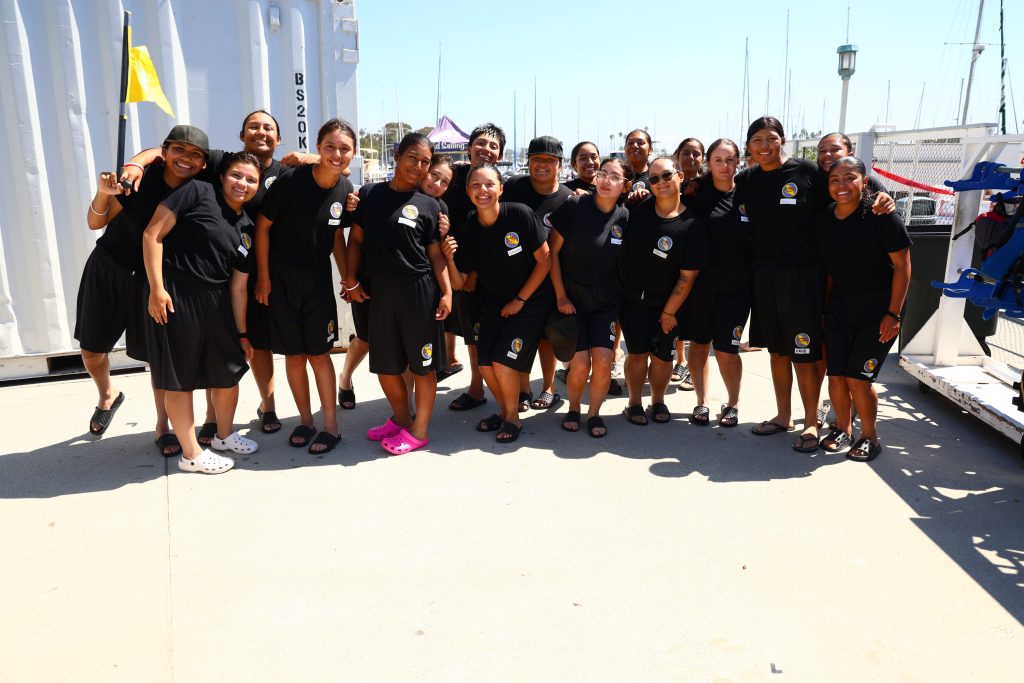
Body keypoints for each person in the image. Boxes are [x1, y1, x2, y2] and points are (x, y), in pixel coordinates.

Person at [124, 110, 289, 439]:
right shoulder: (206, 179)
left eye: (268, 127)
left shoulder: (281, 178)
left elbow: (238, 287)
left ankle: (248, 417)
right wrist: (135, 164)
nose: (261, 132)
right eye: (253, 126)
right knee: (179, 368)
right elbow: (167, 153)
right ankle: (189, 432)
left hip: (234, 278)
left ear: (278, 138)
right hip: (184, 286)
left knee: (236, 355)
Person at [76, 125, 209, 456]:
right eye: (179, 150)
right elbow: (96, 222)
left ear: (204, 163)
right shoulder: (142, 181)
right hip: (108, 267)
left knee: (156, 358)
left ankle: (162, 427)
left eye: (195, 154)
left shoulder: (198, 188)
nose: (186, 159)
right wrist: (104, 193)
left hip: (152, 280)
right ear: (165, 153)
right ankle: (107, 395)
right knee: (91, 350)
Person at [141, 151, 262, 474]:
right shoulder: (196, 191)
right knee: (179, 379)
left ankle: (223, 435)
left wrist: (242, 334)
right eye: (236, 175)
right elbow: (152, 234)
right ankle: (191, 453)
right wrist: (156, 289)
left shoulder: (247, 227)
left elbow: (238, 288)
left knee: (228, 371)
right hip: (177, 295)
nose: (243, 183)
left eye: (251, 180)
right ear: (222, 177)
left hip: (218, 303)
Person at [345, 132, 452, 455]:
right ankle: (401, 418)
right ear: (397, 156)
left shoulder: (430, 205)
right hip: (380, 291)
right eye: (412, 158)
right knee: (386, 366)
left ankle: (419, 431)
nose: (418, 166)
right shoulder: (369, 195)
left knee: (423, 367)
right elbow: (356, 241)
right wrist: (350, 279)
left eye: (425, 162)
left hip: (420, 291)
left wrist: (447, 293)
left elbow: (435, 255)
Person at [255, 118, 356, 454]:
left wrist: (347, 277)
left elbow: (336, 236)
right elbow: (262, 228)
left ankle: (330, 426)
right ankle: (305, 421)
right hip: (281, 280)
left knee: (319, 355)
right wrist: (264, 278)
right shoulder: (290, 181)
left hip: (317, 281)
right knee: (295, 357)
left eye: (344, 149)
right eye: (330, 147)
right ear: (318, 148)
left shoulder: (345, 188)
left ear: (353, 153)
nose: (337, 154)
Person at [441, 164, 552, 443]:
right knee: (486, 365)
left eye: (490, 184)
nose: (483, 190)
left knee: (502, 362)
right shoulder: (469, 225)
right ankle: (504, 412)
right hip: (495, 303)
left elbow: (545, 261)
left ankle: (513, 419)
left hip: (530, 300)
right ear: (468, 192)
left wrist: (520, 300)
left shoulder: (519, 214)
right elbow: (459, 283)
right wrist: (449, 259)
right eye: (476, 185)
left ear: (501, 189)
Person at [816, 156, 911, 461]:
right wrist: (824, 310)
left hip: (879, 309)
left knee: (859, 379)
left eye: (849, 178)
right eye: (834, 180)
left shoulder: (882, 216)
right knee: (836, 376)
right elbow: (830, 271)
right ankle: (842, 429)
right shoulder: (825, 218)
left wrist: (893, 314)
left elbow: (903, 267)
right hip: (841, 307)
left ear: (864, 182)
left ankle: (870, 437)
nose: (841, 185)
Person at [620, 156, 708, 426]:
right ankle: (634, 403)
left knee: (661, 358)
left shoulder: (693, 225)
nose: (661, 182)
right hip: (632, 300)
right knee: (636, 354)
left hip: (668, 304)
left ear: (680, 176)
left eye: (667, 175)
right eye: (654, 178)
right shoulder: (637, 210)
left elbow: (687, 276)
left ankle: (658, 401)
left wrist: (669, 312)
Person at [548, 158, 632, 437]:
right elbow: (552, 254)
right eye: (603, 173)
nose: (607, 180)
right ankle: (574, 408)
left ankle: (594, 413)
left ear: (625, 185)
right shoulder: (575, 206)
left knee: (604, 363)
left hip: (606, 305)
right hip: (572, 303)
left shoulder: (625, 217)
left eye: (615, 177)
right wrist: (561, 296)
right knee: (581, 364)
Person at [678, 139, 750, 427]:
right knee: (698, 346)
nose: (724, 165)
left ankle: (733, 403)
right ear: (708, 163)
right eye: (718, 160)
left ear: (738, 162)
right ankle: (702, 401)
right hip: (701, 286)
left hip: (737, 287)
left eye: (730, 159)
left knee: (726, 350)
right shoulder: (695, 193)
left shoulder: (747, 193)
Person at [501, 136, 573, 412]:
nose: (542, 164)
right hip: (516, 277)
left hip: (553, 279)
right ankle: (523, 390)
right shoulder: (512, 188)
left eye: (549, 160)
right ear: (528, 162)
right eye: (536, 159)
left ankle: (548, 387)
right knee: (519, 335)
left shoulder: (569, 198)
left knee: (546, 338)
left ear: (559, 164)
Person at [443, 123, 506, 413]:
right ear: (468, 148)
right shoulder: (451, 178)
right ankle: (477, 386)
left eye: (494, 146)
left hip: (488, 272)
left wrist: (474, 273)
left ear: (500, 155)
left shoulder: (503, 186)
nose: (486, 149)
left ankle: (511, 389)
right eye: (481, 143)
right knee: (470, 332)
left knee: (491, 332)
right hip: (452, 269)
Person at [671, 137, 706, 389]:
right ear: (678, 156)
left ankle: (694, 369)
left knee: (699, 317)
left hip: (703, 259)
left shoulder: (708, 184)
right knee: (676, 311)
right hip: (675, 256)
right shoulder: (670, 181)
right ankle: (680, 360)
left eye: (696, 153)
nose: (691, 158)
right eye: (686, 153)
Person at [624, 129, 653, 205]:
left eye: (640, 143)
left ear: (650, 150)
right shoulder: (617, 177)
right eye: (630, 143)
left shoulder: (656, 178)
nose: (634, 146)